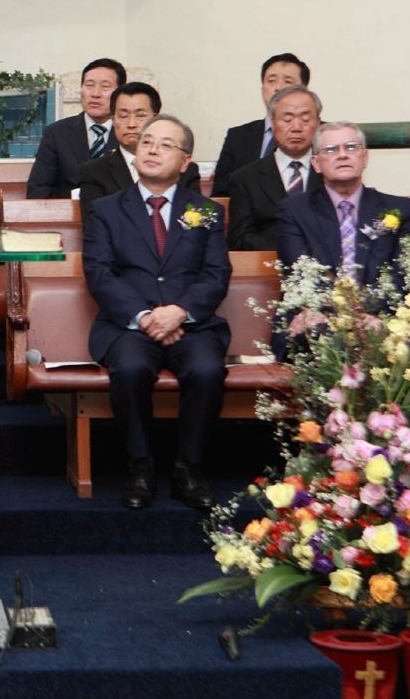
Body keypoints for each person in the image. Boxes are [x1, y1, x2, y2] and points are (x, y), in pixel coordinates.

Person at [83, 114, 230, 511]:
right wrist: (145, 316)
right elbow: (98, 272)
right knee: (130, 368)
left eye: (166, 144)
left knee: (206, 370)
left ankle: (188, 468)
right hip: (130, 325)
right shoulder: (105, 210)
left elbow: (216, 273)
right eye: (147, 142)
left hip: (190, 325)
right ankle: (140, 465)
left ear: (185, 161)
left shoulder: (206, 211)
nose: (152, 149)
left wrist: (180, 312)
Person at [276, 122, 410, 352]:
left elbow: (403, 274)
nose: (342, 155)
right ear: (316, 163)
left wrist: (373, 315)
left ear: (365, 157)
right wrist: (345, 317)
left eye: (351, 147)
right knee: (321, 337)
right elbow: (300, 272)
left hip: (384, 315)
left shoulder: (400, 209)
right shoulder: (293, 211)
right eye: (331, 150)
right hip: (318, 315)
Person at [76, 82, 199, 218]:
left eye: (140, 115)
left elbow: (195, 219)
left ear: (156, 119)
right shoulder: (94, 172)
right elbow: (95, 224)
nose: (131, 124)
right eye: (123, 116)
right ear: (113, 120)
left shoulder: (182, 168)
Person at [226, 86, 322, 251]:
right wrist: (293, 249)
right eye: (287, 119)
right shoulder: (245, 179)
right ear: (272, 123)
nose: (296, 127)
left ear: (318, 123)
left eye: (306, 119)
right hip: (267, 263)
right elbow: (240, 240)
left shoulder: (330, 173)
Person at [211, 53, 310, 197]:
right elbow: (221, 195)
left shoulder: (325, 135)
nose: (278, 87)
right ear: (262, 89)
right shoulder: (238, 137)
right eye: (271, 81)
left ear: (304, 91)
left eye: (288, 81)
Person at [25, 57, 125, 199]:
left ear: (121, 93)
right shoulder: (56, 133)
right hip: (69, 211)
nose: (95, 94)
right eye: (89, 85)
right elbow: (38, 190)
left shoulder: (130, 133)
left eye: (105, 87)